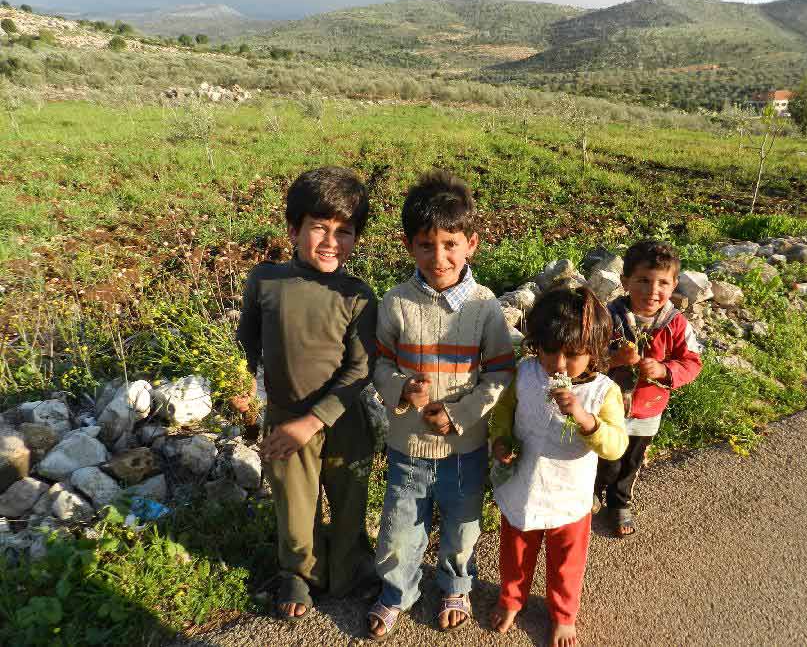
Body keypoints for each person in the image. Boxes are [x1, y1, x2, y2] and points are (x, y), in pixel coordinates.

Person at [366, 170, 515, 640]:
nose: (439, 257)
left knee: (463, 527)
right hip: (408, 447)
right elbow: (381, 367)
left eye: (450, 244)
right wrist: (401, 392)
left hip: (464, 450)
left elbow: (499, 374)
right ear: (409, 245)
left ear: (471, 243)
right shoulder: (396, 304)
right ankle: (397, 592)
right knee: (399, 529)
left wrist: (458, 415)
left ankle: (455, 584)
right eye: (426, 245)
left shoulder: (485, 308)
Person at [234, 167, 378, 622]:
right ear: (294, 228)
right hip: (283, 415)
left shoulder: (357, 296)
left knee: (350, 495)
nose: (332, 241)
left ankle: (349, 563)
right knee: (294, 505)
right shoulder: (265, 281)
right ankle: (298, 571)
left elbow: (361, 369)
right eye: (320, 227)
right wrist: (246, 388)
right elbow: (248, 345)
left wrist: (313, 421)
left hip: (343, 419)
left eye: (345, 231)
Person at [490, 286, 628, 647]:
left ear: (595, 351)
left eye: (572, 354)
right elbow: (505, 411)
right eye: (549, 350)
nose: (558, 364)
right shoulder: (526, 373)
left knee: (567, 563)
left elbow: (616, 446)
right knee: (515, 553)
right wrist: (501, 440)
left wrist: (585, 419)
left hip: (570, 496)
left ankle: (564, 615)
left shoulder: (603, 392)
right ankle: (511, 599)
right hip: (524, 486)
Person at [595, 240, 702, 537]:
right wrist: (614, 359)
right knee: (602, 455)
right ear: (625, 281)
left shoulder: (676, 324)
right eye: (643, 281)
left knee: (630, 461)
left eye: (663, 283)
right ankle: (591, 490)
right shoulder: (607, 318)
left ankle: (619, 503)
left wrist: (665, 370)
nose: (652, 291)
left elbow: (692, 362)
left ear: (675, 284)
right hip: (607, 407)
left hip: (647, 409)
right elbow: (586, 358)